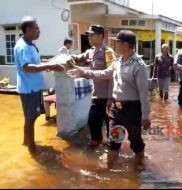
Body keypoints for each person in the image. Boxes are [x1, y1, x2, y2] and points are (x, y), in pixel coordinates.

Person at [67, 30, 151, 169]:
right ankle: (109, 169)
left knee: (135, 141)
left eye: (117, 42)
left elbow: (144, 93)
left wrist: (145, 116)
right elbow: (104, 73)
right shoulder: (117, 62)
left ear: (125, 44)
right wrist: (83, 72)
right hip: (116, 110)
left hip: (132, 110)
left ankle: (141, 163)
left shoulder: (139, 65)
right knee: (114, 142)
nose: (115, 44)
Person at [14, 16, 65, 152]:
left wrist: (47, 65)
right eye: (37, 28)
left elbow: (34, 65)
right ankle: (32, 149)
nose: (39, 31)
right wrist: (49, 65)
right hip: (29, 89)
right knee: (31, 118)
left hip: (32, 87)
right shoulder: (24, 47)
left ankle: (27, 142)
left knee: (30, 117)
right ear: (29, 30)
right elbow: (28, 67)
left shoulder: (30, 44)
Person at [71, 25, 116, 150]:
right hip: (96, 95)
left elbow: (112, 74)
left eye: (92, 35)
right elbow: (79, 58)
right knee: (93, 122)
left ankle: (112, 148)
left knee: (109, 124)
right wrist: (68, 58)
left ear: (101, 36)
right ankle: (97, 142)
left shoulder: (108, 52)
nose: (89, 37)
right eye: (89, 35)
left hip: (107, 96)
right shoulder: (90, 52)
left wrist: (111, 98)